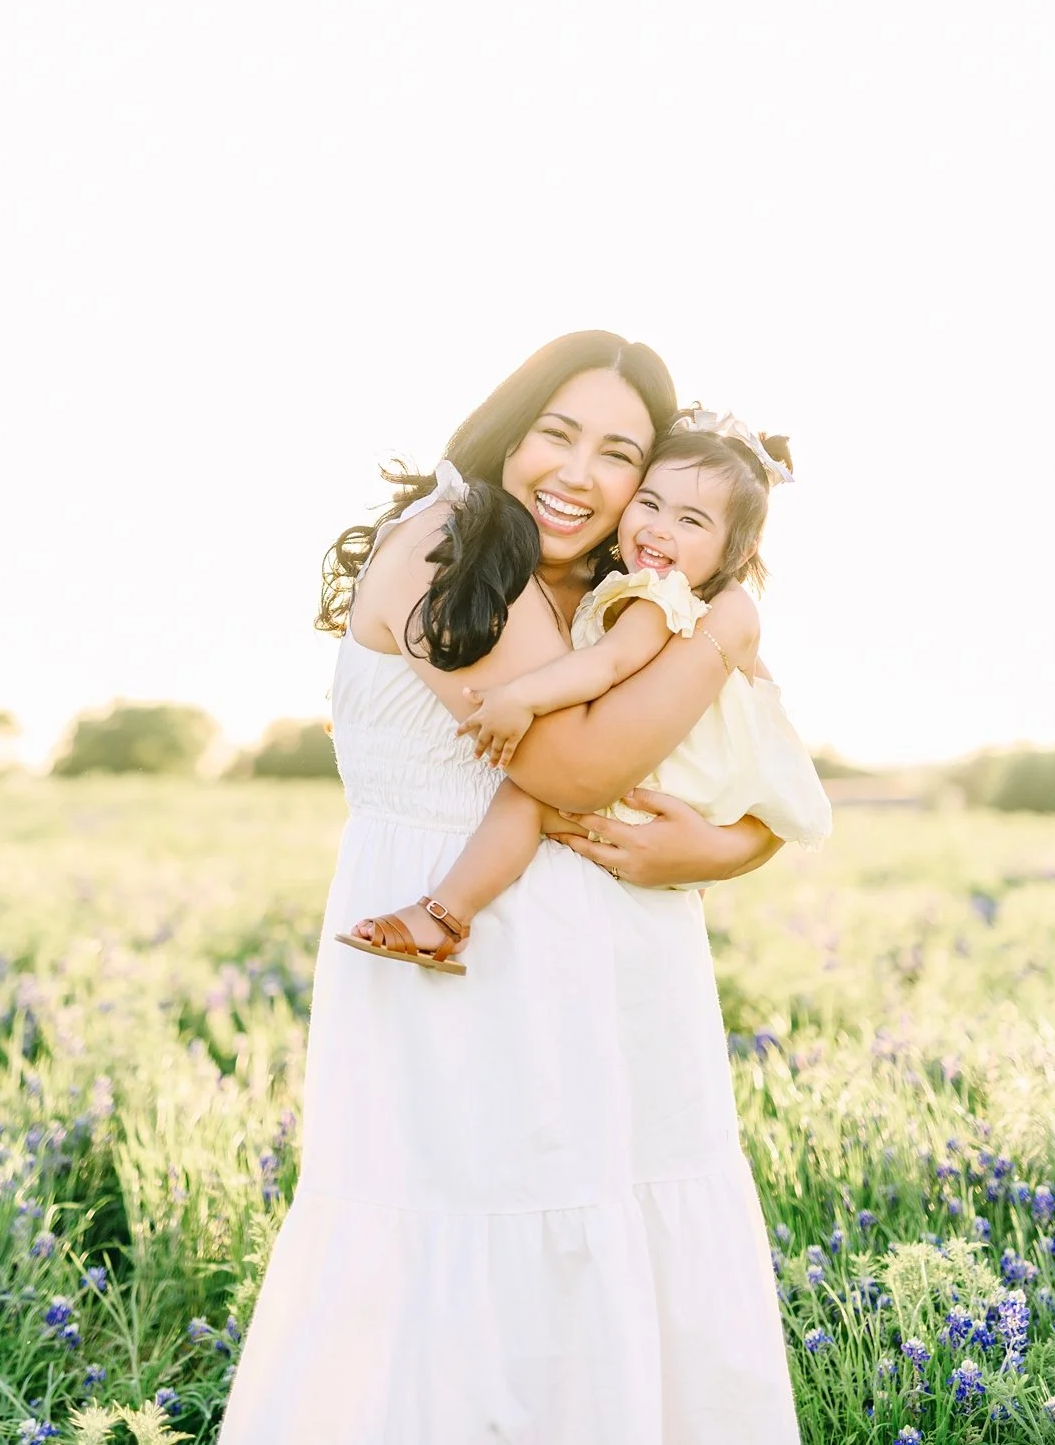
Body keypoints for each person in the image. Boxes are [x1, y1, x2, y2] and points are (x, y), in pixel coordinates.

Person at [217, 331, 802, 1445]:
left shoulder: (613, 583)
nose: (582, 474)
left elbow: (749, 775)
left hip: (613, 979)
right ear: (505, 430)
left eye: (620, 452)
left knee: (602, 1250)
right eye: (557, 434)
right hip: (471, 971)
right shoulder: (454, 540)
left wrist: (724, 852)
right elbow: (574, 768)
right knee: (466, 1248)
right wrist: (727, 625)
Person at [337, 408, 831, 974]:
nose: (659, 527)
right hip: (670, 790)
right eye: (649, 503)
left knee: (524, 799)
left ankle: (446, 914)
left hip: (656, 788)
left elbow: (604, 665)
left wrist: (524, 697)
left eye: (692, 521)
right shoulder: (665, 598)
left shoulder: (663, 601)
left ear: (736, 555)